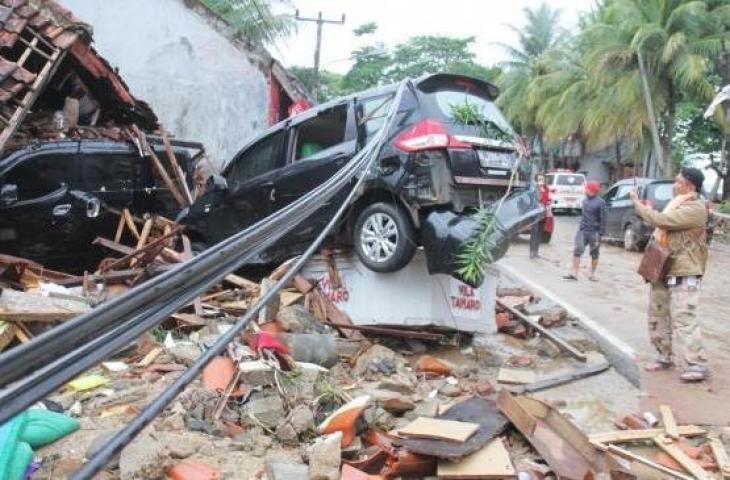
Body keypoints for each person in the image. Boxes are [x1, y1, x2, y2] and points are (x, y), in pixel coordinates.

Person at [630, 167, 710, 382]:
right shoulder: (675, 205)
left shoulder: (695, 208)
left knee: (685, 317)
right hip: (663, 267)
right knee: (657, 313)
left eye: (678, 181)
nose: (674, 185)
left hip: (685, 269)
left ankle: (697, 364)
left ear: (690, 186)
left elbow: (663, 221)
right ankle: (663, 356)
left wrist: (637, 204)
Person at [564, 180, 605, 281]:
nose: (585, 190)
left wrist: (600, 233)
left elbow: (603, 219)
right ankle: (574, 273)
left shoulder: (601, 202)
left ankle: (592, 274)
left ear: (591, 190)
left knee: (595, 253)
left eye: (586, 188)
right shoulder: (584, 201)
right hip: (582, 230)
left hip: (594, 232)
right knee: (578, 250)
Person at [529, 174, 551, 259]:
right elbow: (536, 200)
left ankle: (536, 252)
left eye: (542, 179)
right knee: (534, 232)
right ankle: (531, 252)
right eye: (539, 179)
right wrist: (539, 190)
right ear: (536, 181)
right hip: (536, 214)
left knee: (539, 233)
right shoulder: (534, 189)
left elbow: (548, 200)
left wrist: (548, 210)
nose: (541, 181)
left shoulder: (546, 189)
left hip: (544, 214)